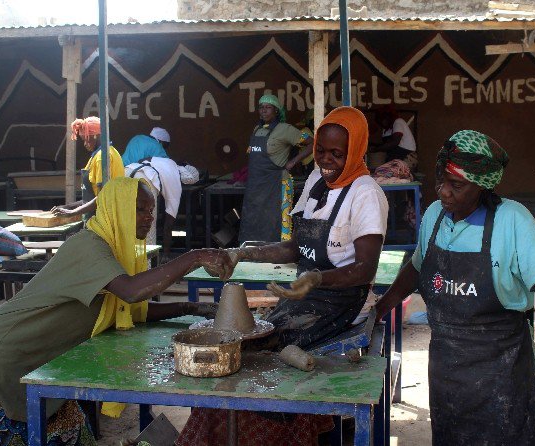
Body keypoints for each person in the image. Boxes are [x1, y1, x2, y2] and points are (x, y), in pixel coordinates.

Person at [375, 130, 535, 445]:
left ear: (482, 186)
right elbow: (416, 268)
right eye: (441, 180)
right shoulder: (434, 216)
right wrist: (381, 307)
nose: (444, 192)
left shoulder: (512, 220)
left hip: (503, 373)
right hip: (446, 370)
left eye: (457, 185)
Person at [0, 177, 233, 446]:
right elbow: (131, 291)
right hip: (1, 358)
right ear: (116, 208)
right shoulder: (88, 246)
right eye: (140, 209)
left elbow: (128, 309)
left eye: (151, 210)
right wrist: (194, 256)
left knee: (71, 430)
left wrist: (189, 307)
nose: (148, 217)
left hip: (34, 360)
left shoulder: (115, 249)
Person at [177, 106, 389, 445]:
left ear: (356, 150)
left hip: (344, 299)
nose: (326, 160)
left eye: (337, 153)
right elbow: (295, 248)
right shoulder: (317, 181)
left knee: (265, 360)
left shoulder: (366, 194)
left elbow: (366, 269)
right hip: (306, 295)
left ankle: (283, 433)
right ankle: (224, 432)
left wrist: (319, 279)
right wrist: (244, 253)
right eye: (321, 150)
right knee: (243, 346)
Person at [239, 94, 314, 244]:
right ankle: (253, 252)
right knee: (254, 220)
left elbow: (313, 143)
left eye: (268, 107)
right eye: (261, 107)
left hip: (277, 185)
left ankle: (279, 255)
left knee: (277, 223)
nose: (264, 111)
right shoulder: (256, 129)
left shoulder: (285, 129)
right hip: (256, 187)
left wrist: (293, 162)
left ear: (277, 111)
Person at [125, 157, 200, 259]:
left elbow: (144, 159)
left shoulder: (168, 162)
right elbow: (169, 223)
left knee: (124, 221)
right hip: (147, 179)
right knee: (148, 226)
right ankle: (146, 267)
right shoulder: (175, 180)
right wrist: (166, 255)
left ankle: (124, 261)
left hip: (128, 171)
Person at [51, 116, 125, 219]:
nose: (85, 144)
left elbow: (102, 198)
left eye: (86, 139)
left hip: (106, 220)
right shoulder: (98, 156)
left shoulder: (102, 157)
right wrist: (66, 207)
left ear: (96, 136)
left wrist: (72, 213)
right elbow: (90, 198)